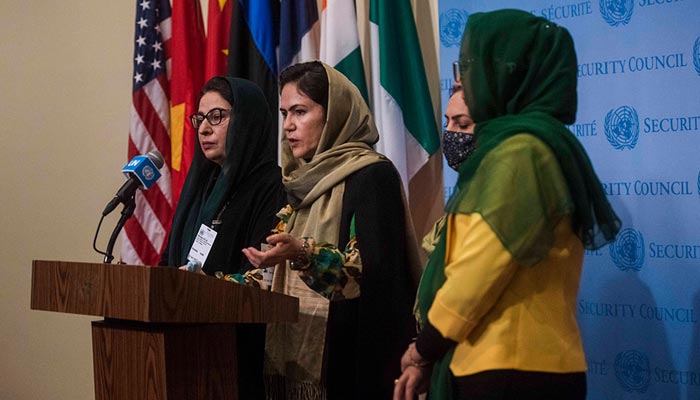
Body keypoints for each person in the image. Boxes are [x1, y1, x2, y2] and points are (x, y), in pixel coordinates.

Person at [393, 9, 621, 400]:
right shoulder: (525, 145)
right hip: (509, 365)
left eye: (475, 66)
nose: (466, 79)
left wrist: (423, 349)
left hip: (512, 370)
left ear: (512, 74)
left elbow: (477, 272)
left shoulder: (522, 153)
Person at [242, 61, 422, 399]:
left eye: (300, 111)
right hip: (295, 362)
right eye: (284, 114)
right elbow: (273, 279)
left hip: (351, 364)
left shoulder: (370, 176)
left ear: (335, 114)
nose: (288, 126)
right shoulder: (296, 183)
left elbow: (373, 275)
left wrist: (303, 254)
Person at [161, 76, 285, 399]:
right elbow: (170, 262)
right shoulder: (200, 186)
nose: (203, 129)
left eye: (216, 117)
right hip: (183, 345)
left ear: (246, 120)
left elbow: (261, 278)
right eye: (200, 119)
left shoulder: (270, 186)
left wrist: (207, 283)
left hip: (235, 353)